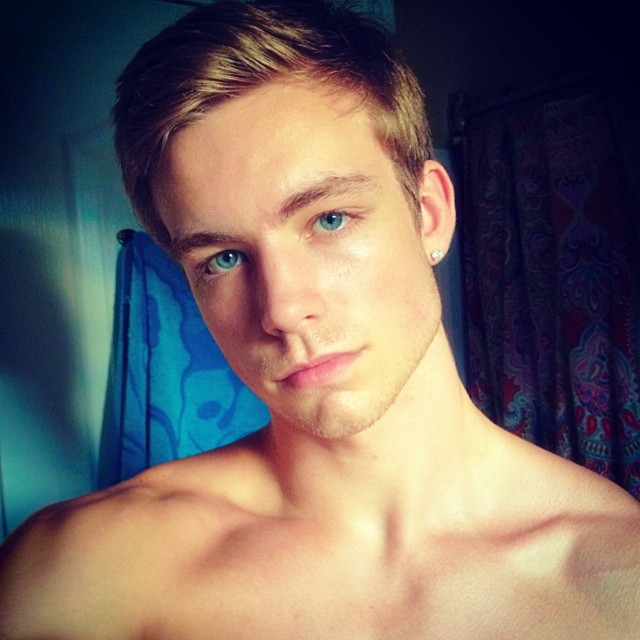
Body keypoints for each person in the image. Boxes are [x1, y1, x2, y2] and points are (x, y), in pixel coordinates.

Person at [1, 1, 639, 638]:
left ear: (429, 214)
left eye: (329, 219)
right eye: (223, 258)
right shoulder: (82, 571)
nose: (282, 310)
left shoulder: (617, 577)